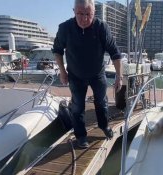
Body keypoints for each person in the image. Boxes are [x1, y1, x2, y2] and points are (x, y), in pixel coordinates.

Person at [53, 0, 123, 148]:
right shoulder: (65, 28)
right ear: (74, 11)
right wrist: (62, 71)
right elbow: (57, 51)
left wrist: (119, 76)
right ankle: (81, 136)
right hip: (75, 75)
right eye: (80, 14)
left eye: (88, 14)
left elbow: (115, 53)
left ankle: (104, 126)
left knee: (102, 102)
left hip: (97, 74)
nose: (84, 18)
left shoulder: (101, 27)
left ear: (94, 13)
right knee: (77, 106)